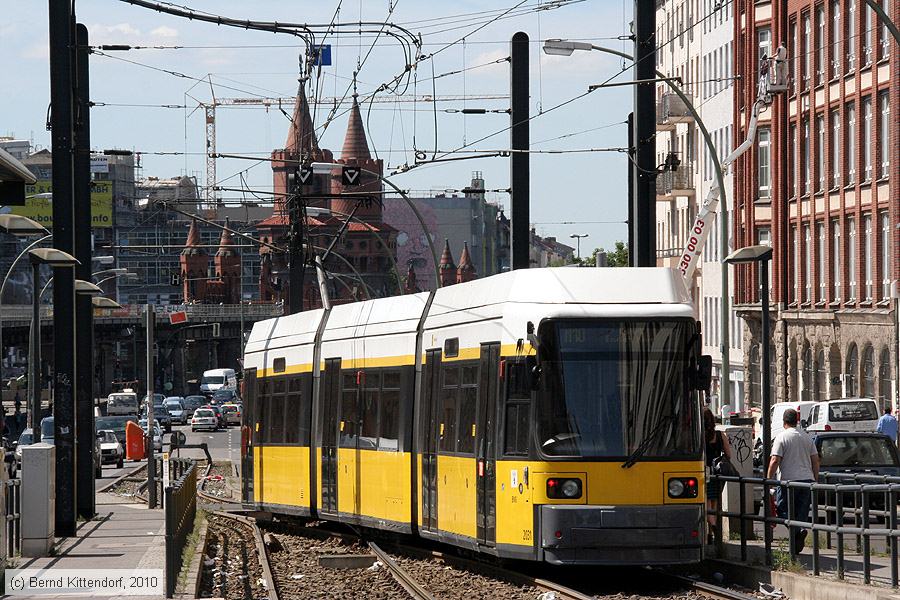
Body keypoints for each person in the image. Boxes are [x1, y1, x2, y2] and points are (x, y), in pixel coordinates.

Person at [767, 408, 819, 554]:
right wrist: (815, 479)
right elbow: (815, 460)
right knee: (801, 512)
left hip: (788, 481)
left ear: (784, 421)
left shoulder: (782, 437)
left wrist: (768, 479)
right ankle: (799, 531)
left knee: (783, 509)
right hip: (807, 480)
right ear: (796, 421)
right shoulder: (806, 437)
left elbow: (775, 460)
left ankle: (797, 531)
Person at [704, 407, 732, 544]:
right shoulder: (720, 435)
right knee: (714, 503)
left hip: (704, 471)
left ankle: (713, 526)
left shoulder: (699, 436)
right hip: (717, 472)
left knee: (706, 503)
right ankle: (711, 534)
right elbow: (729, 454)